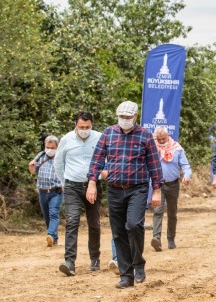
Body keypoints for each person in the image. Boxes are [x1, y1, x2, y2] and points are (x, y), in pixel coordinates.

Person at [87, 101, 163, 288]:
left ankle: (138, 264)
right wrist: (91, 183)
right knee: (119, 232)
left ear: (135, 117)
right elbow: (97, 159)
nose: (125, 121)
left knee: (134, 225)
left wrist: (157, 190)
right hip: (114, 189)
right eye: (122, 117)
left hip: (137, 188)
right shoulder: (108, 133)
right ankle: (126, 275)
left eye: (128, 118)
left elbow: (154, 164)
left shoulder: (144, 135)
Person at [53, 111, 102, 277]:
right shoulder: (66, 139)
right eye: (81, 127)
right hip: (72, 186)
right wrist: (63, 183)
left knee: (94, 223)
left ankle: (95, 258)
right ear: (76, 125)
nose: (84, 130)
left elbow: (106, 159)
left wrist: (100, 175)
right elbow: (58, 162)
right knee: (72, 221)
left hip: (93, 185)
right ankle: (69, 262)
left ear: (92, 125)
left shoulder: (99, 138)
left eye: (87, 127)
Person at [151, 126, 192, 252]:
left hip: (173, 185)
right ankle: (156, 238)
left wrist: (187, 175)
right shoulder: (152, 148)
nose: (162, 141)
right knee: (157, 211)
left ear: (168, 136)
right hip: (158, 185)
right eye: (159, 139)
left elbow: (185, 165)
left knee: (172, 213)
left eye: (164, 138)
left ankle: (170, 239)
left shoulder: (177, 148)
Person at [29, 135, 62, 247]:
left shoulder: (60, 158)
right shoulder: (41, 157)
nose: (50, 150)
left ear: (57, 147)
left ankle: (51, 234)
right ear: (45, 146)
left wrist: (64, 185)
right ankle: (53, 238)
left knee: (54, 214)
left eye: (52, 148)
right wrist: (31, 166)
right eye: (48, 147)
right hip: (42, 191)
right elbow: (33, 171)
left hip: (55, 191)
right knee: (47, 216)